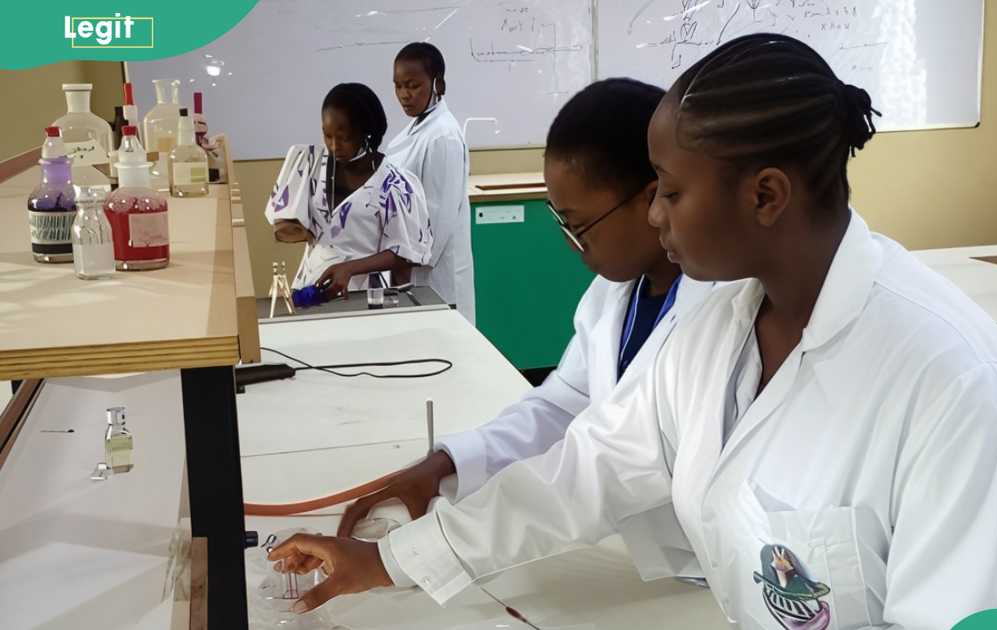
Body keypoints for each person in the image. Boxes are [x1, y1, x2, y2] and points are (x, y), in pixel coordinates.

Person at [269, 35, 997, 629]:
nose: (652, 216)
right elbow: (591, 466)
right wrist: (392, 560)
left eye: (671, 192)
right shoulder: (720, 319)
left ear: (767, 195)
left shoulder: (962, 391)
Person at [335, 77, 718, 579]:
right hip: (654, 559)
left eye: (578, 226)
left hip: (717, 571)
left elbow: (602, 466)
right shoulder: (612, 296)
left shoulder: (717, 310)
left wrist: (404, 559)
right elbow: (559, 407)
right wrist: (446, 464)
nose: (571, 245)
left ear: (654, 199)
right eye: (560, 224)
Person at [265, 83, 433, 296]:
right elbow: (288, 228)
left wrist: (350, 268)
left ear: (366, 133)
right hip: (310, 288)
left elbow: (406, 253)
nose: (334, 146)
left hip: (364, 294)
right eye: (327, 135)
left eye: (344, 138)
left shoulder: (394, 184)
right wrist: (292, 226)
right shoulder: (310, 164)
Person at [386, 42, 476, 322]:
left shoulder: (443, 137)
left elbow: (439, 221)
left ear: (438, 84)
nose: (404, 95)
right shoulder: (416, 130)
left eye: (413, 85)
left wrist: (404, 267)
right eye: (398, 85)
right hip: (410, 269)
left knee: (448, 356)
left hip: (434, 278)